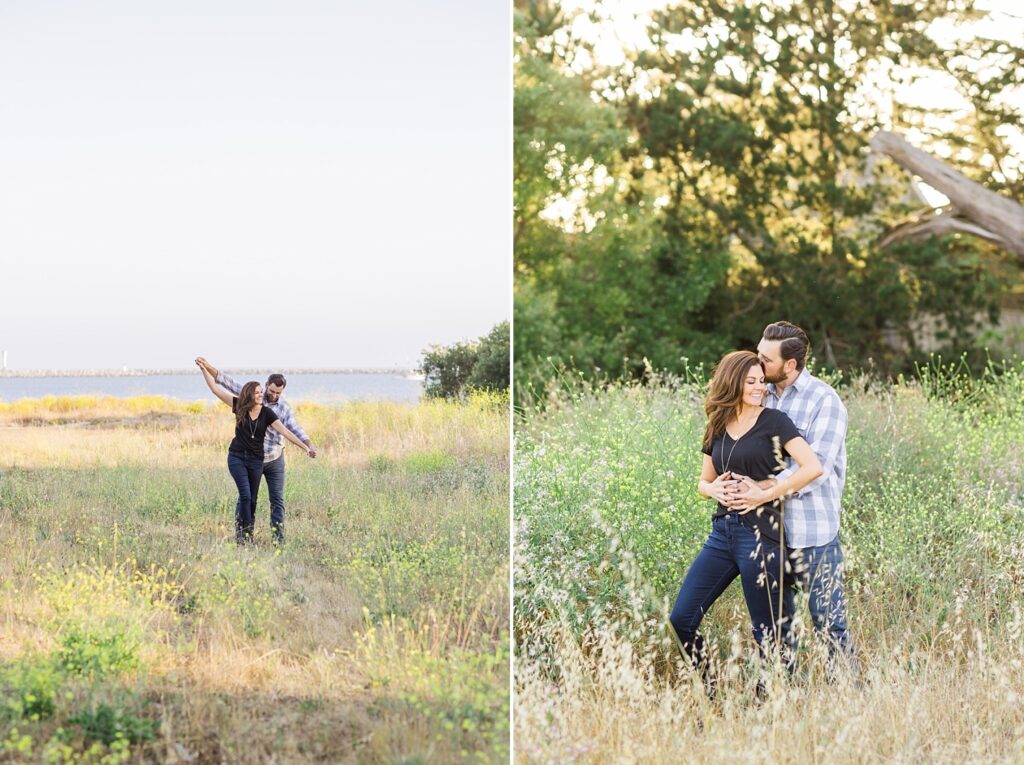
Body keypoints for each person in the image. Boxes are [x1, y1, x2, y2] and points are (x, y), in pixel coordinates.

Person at [669, 350, 822, 683]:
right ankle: (708, 692)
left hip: (762, 536)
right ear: (732, 382)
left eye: (761, 381)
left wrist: (765, 493)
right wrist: (714, 492)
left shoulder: (775, 422)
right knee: (681, 619)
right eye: (751, 381)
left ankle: (771, 708)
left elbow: (813, 466)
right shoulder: (718, 424)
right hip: (722, 535)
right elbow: (703, 482)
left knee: (768, 634)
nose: (759, 387)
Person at [728, 320, 857, 676]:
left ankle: (851, 701)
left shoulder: (824, 401)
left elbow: (817, 469)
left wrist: (763, 489)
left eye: (765, 359)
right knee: (775, 630)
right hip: (766, 535)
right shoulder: (757, 393)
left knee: (829, 625)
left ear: (790, 365)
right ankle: (784, 702)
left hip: (811, 534)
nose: (756, 363)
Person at [195, 358, 317, 546]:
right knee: (246, 497)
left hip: (273, 457)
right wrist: (206, 367)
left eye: (278, 393)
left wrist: (307, 446)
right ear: (265, 386)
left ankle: (278, 541)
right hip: (249, 459)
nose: (274, 395)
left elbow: (291, 429)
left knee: (277, 499)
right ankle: (243, 536)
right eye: (270, 391)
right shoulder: (244, 401)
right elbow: (223, 384)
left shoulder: (277, 410)